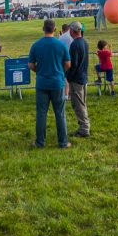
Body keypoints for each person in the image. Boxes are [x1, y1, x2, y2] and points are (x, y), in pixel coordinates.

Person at [28, 19, 71, 149]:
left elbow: (30, 65)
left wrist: (39, 71)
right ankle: (63, 142)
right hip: (58, 82)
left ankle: (40, 142)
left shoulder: (36, 45)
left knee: (41, 113)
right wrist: (60, 72)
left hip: (42, 83)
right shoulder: (61, 45)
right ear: (54, 29)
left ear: (43, 29)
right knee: (60, 113)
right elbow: (68, 64)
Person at [66, 21, 90, 137]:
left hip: (77, 79)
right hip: (83, 77)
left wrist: (68, 76)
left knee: (78, 104)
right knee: (82, 103)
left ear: (72, 31)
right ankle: (85, 126)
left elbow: (73, 64)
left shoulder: (75, 45)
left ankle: (84, 128)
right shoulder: (84, 42)